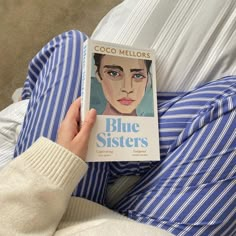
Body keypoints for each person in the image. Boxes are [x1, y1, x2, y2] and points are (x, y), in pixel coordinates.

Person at [1, 30, 235, 236]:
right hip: (93, 216)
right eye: (113, 73)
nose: (127, 87)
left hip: (48, 211)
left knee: (71, 43)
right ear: (100, 77)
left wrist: (56, 165)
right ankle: (30, 103)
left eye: (138, 76)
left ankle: (29, 101)